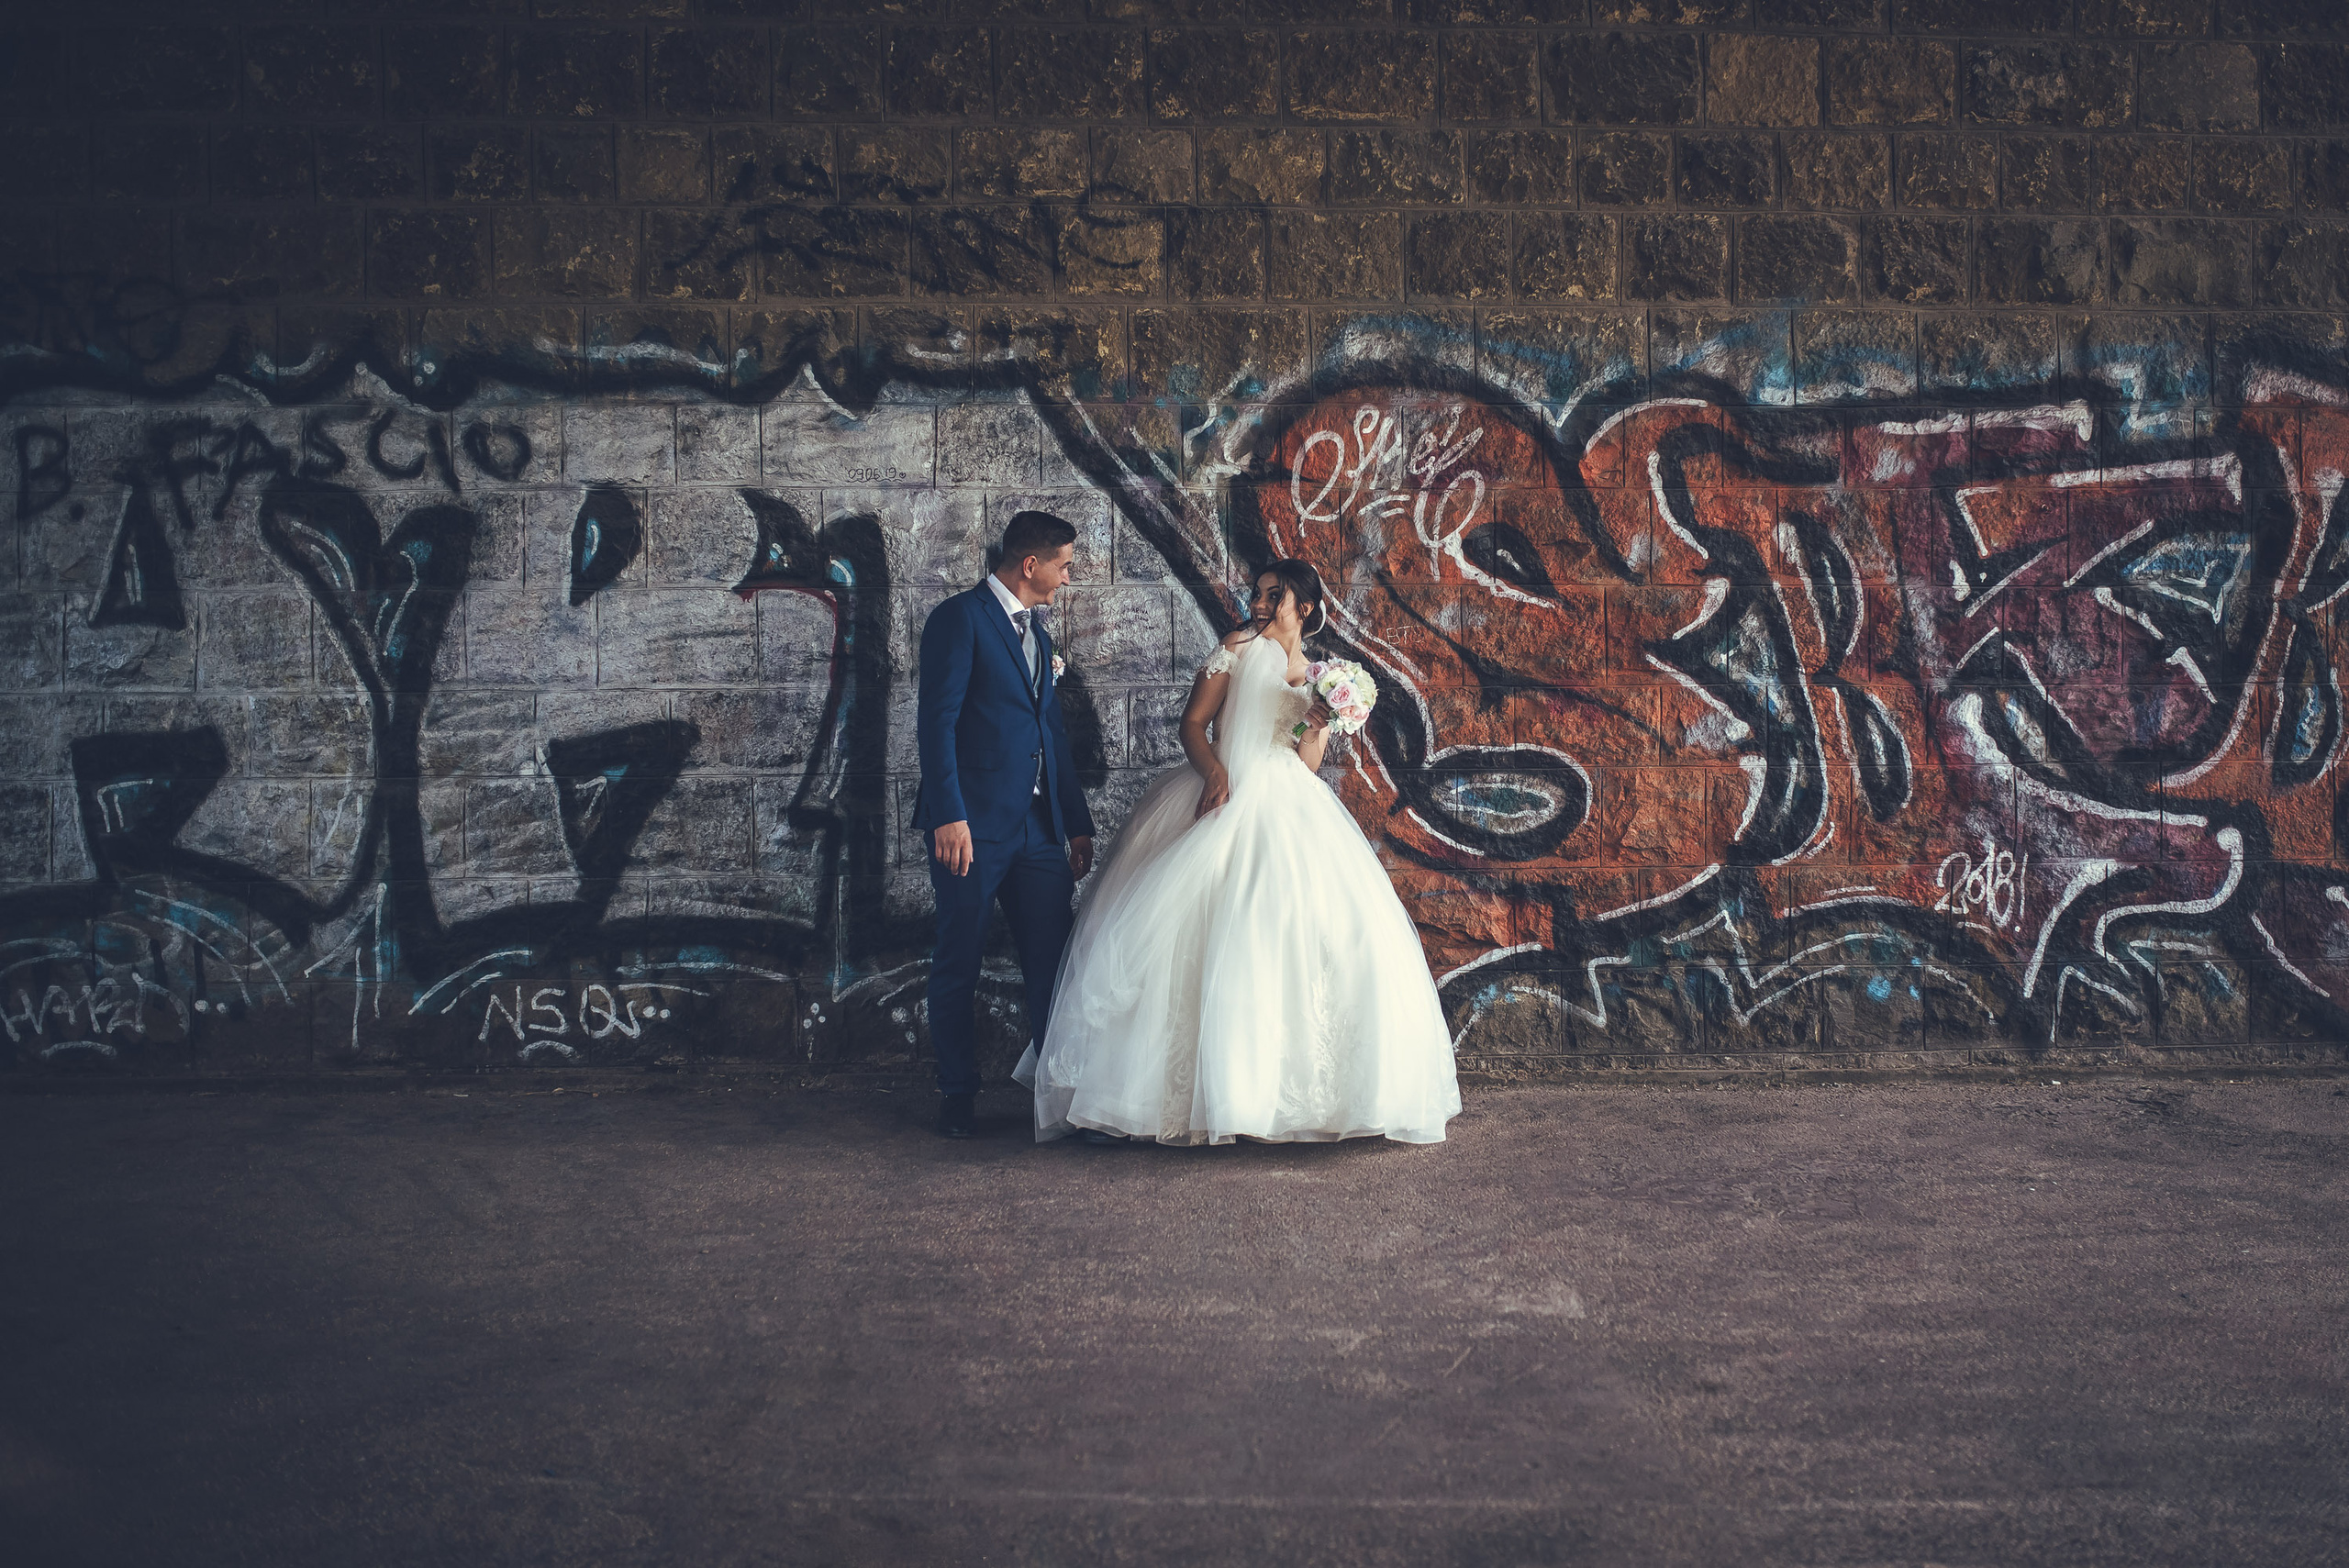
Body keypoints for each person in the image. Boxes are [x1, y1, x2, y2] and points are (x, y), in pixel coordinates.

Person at [1019, 560, 1461, 1146]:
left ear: (1303, 608)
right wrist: (1214, 774)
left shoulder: (1318, 674)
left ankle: (1276, 1097)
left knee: (1303, 932)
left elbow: (1303, 763)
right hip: (1221, 790)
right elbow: (1193, 725)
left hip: (1289, 802)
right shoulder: (1235, 648)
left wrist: (1321, 722)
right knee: (1191, 923)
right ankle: (1160, 1096)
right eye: (1258, 592)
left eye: (1273, 596)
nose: (1259, 602)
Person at [913, 511, 1096, 1139]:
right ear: (1030, 565)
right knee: (958, 959)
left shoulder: (1038, 635)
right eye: (1064, 565)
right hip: (972, 829)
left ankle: (1061, 1101)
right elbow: (936, 723)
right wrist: (949, 814)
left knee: (1056, 965)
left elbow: (1049, 732)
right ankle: (957, 1095)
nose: (1068, 577)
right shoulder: (959, 620)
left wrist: (1074, 822)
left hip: (1038, 833)